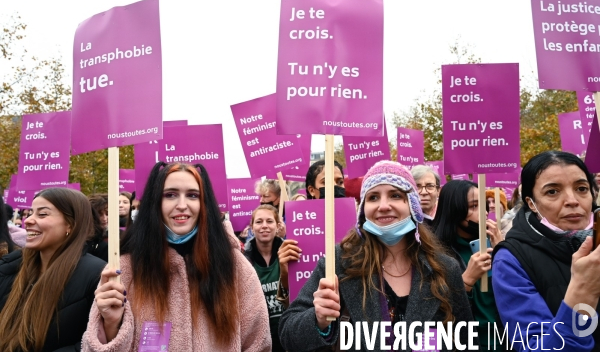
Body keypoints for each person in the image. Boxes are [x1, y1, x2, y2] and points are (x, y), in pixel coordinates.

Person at [279, 161, 473, 351]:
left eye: (395, 195)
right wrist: (318, 319)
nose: (383, 206)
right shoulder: (338, 263)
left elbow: (465, 340)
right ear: (363, 209)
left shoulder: (445, 268)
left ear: (412, 205)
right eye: (373, 198)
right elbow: (288, 333)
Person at [82, 162, 271, 351]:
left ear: (204, 203)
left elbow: (258, 344)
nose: (182, 205)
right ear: (155, 202)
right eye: (170, 195)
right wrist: (111, 325)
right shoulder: (124, 269)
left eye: (192, 195)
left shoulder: (235, 266)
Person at [493, 151, 600, 351]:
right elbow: (536, 345)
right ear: (531, 203)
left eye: (581, 188)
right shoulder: (511, 259)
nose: (572, 200)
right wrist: (583, 293)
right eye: (552, 192)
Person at [0, 188, 106, 351]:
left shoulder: (97, 276)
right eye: (30, 213)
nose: (28, 220)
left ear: (71, 224)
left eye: (42, 214)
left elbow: (93, 344)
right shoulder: (9, 267)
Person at [432, 180, 504, 350]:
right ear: (454, 211)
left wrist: (504, 253)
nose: (484, 212)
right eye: (473, 206)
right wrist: (466, 281)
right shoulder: (435, 255)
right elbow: (434, 313)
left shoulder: (495, 245)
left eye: (484, 206)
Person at [244, 204, 299, 352]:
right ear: (251, 227)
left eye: (269, 221)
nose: (264, 226)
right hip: (260, 338)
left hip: (289, 333)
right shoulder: (243, 261)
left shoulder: (292, 254)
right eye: (259, 221)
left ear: (278, 225)